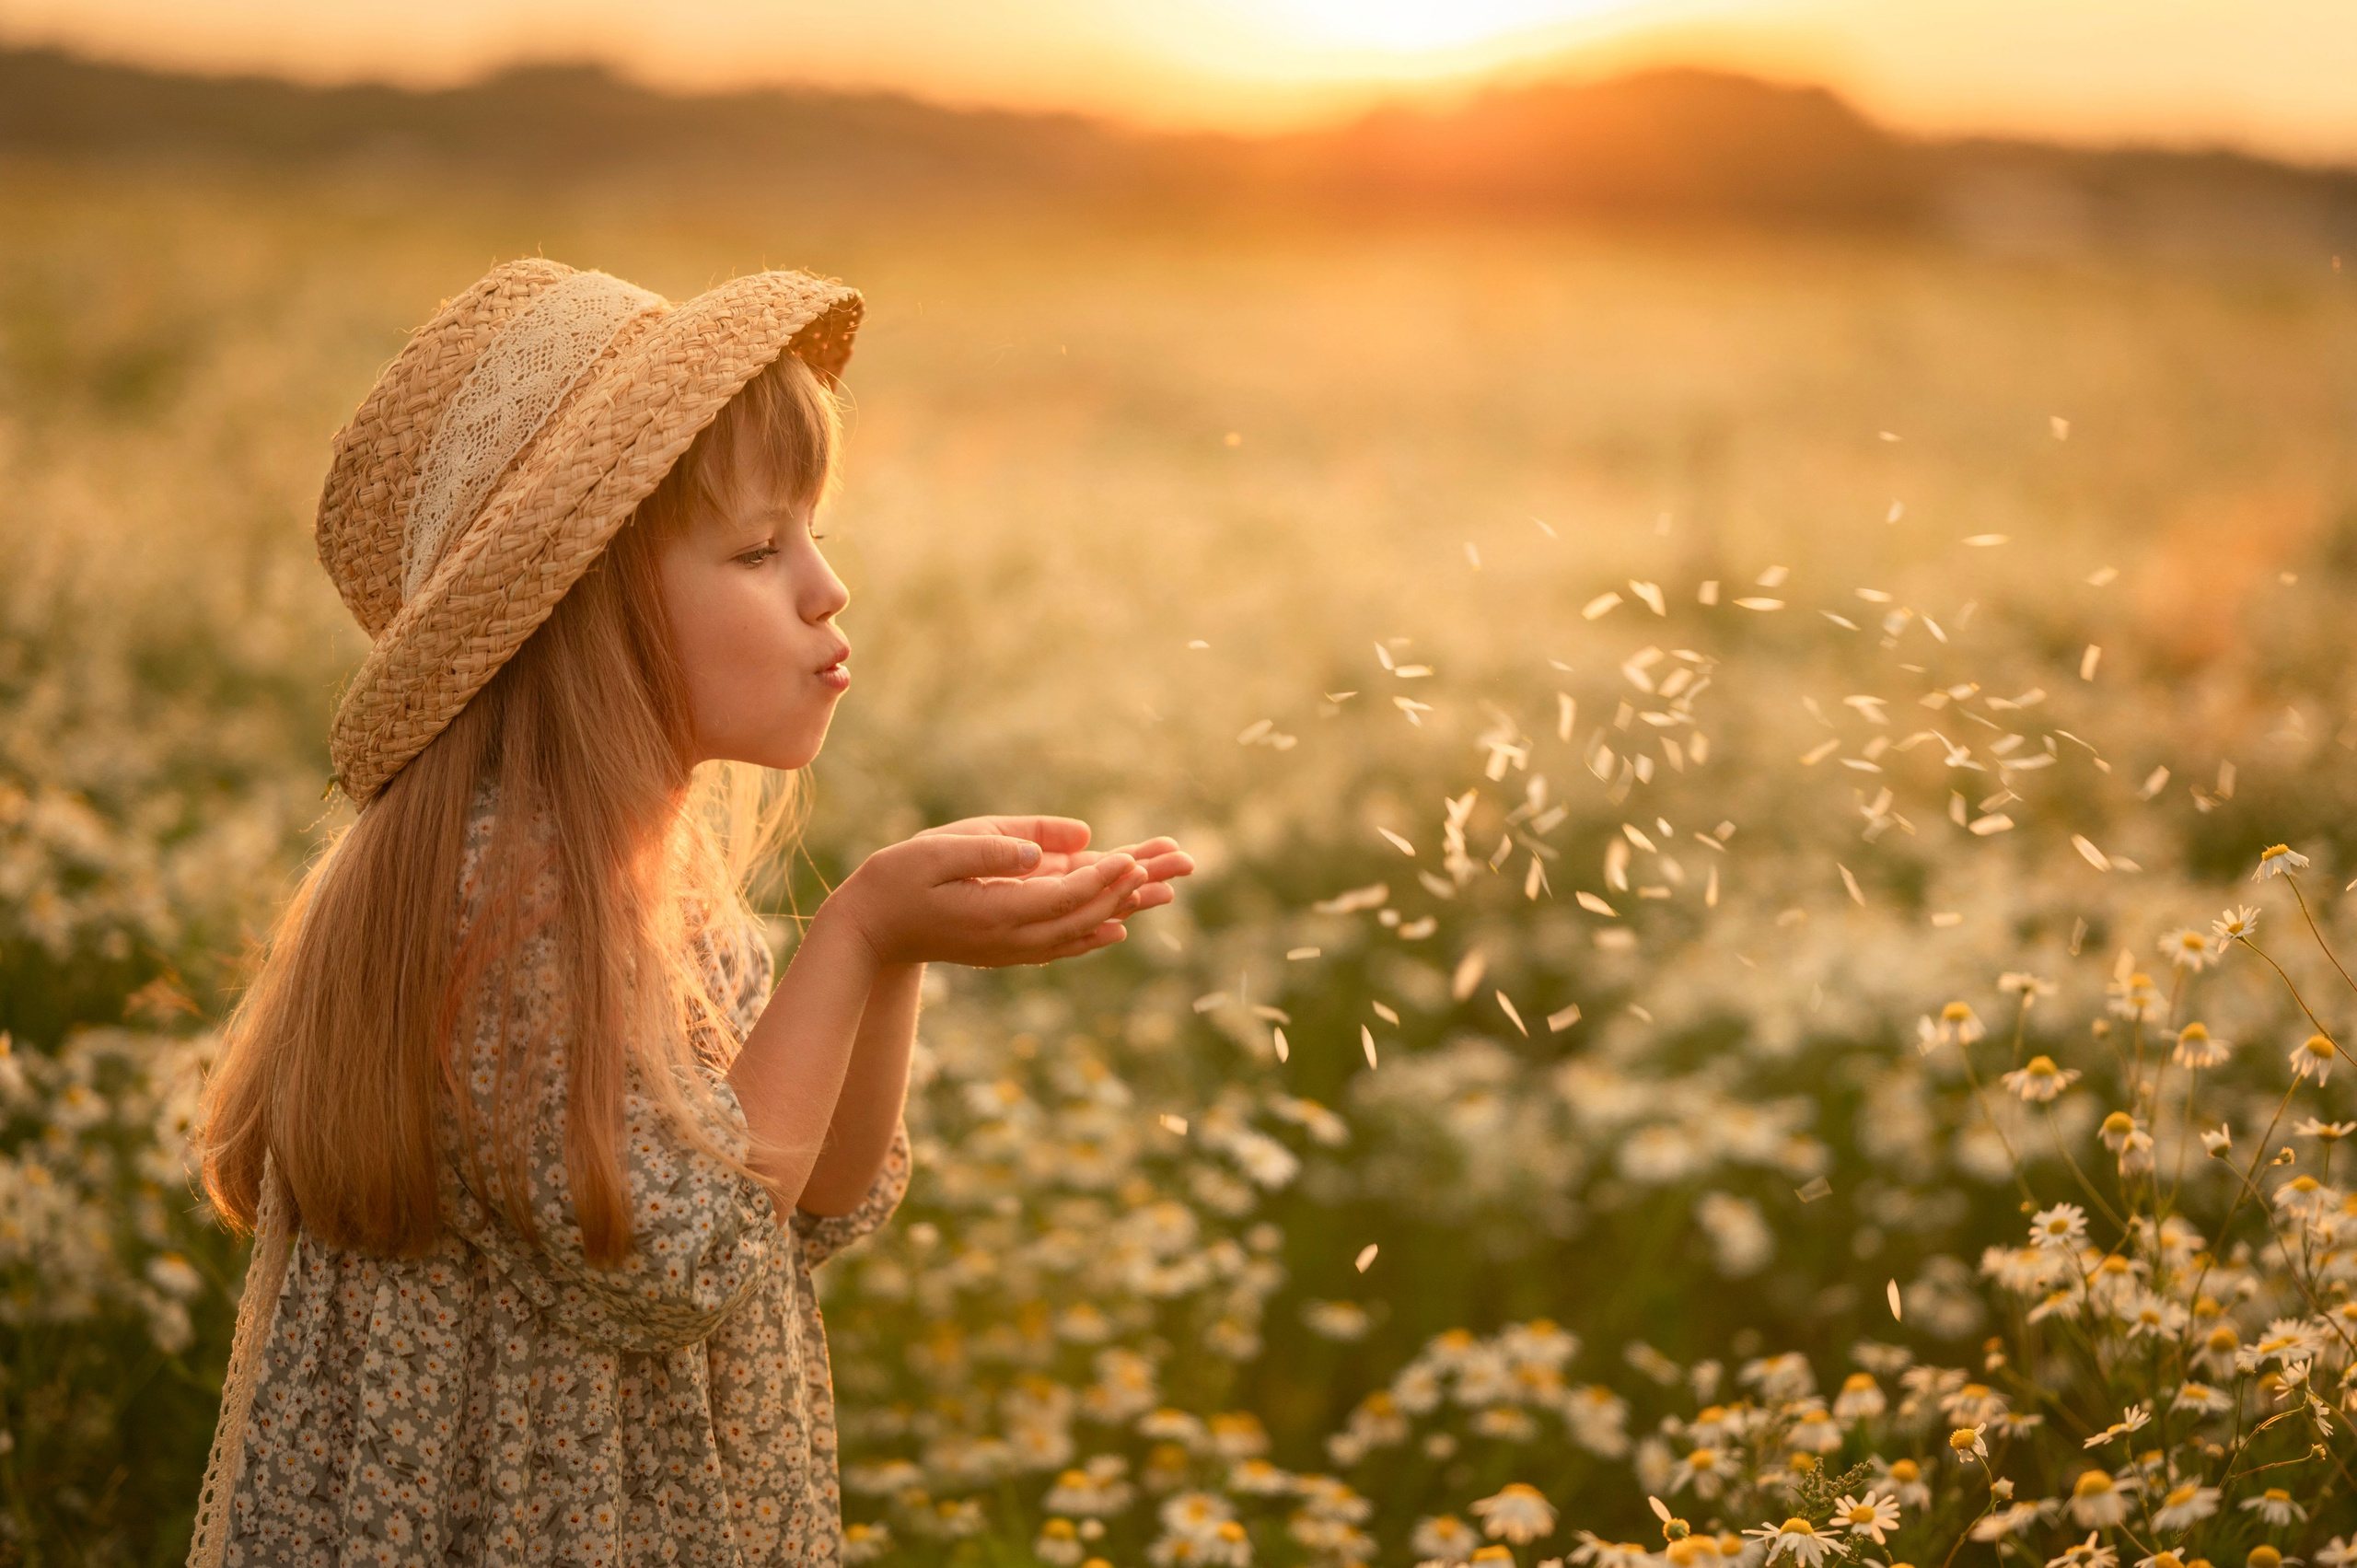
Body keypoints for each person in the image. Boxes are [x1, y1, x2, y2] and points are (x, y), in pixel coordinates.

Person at [183, 258, 1193, 1566]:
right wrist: (861, 930)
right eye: (758, 549)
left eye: (814, 534)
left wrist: (895, 957)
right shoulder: (512, 891)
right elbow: (681, 1259)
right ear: (583, 613)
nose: (826, 587)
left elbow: (809, 1200)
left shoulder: (647, 875)